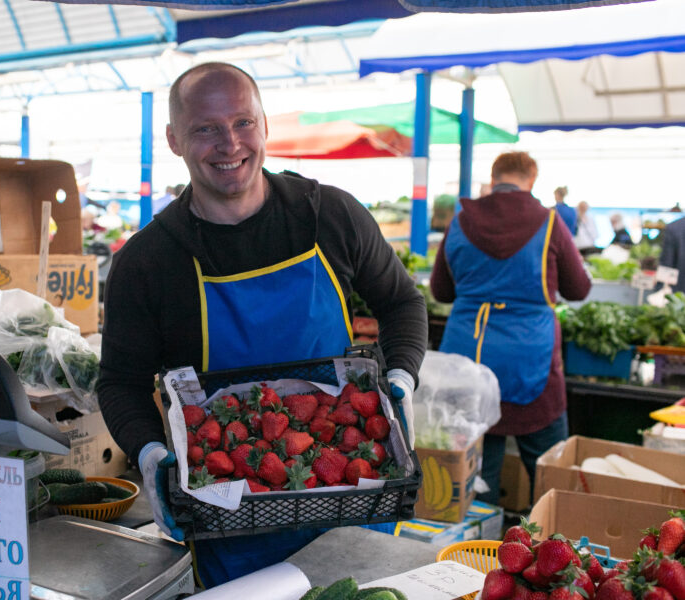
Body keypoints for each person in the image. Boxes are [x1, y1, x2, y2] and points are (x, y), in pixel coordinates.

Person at [96, 62, 427, 588]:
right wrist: (151, 454)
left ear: (265, 125)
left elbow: (402, 302)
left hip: (352, 495)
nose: (229, 143)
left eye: (243, 122)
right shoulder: (148, 261)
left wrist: (402, 379)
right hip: (229, 515)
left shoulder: (331, 216)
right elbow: (118, 381)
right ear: (174, 139)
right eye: (205, 128)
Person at [429, 151, 591, 509]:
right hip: (530, 356)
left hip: (467, 357)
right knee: (547, 467)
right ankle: (547, 545)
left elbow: (440, 291)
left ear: (494, 175)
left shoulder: (460, 221)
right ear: (531, 179)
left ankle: (468, 550)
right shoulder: (548, 222)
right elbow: (578, 289)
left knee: (473, 470)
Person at [659, 214, 685, 293]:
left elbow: (667, 262)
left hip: (680, 291)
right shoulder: (674, 227)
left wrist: (660, 289)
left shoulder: (674, 227)